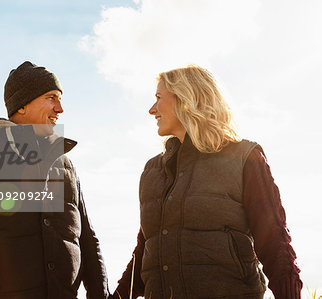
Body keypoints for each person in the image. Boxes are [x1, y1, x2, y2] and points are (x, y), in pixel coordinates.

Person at [112, 65, 302, 298]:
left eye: (159, 98)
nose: (152, 110)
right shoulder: (153, 169)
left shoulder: (244, 157)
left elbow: (275, 242)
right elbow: (145, 252)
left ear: (186, 99)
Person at [0, 61, 109, 299]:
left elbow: (87, 238)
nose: (60, 109)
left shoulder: (65, 164)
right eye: (51, 97)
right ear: (22, 105)